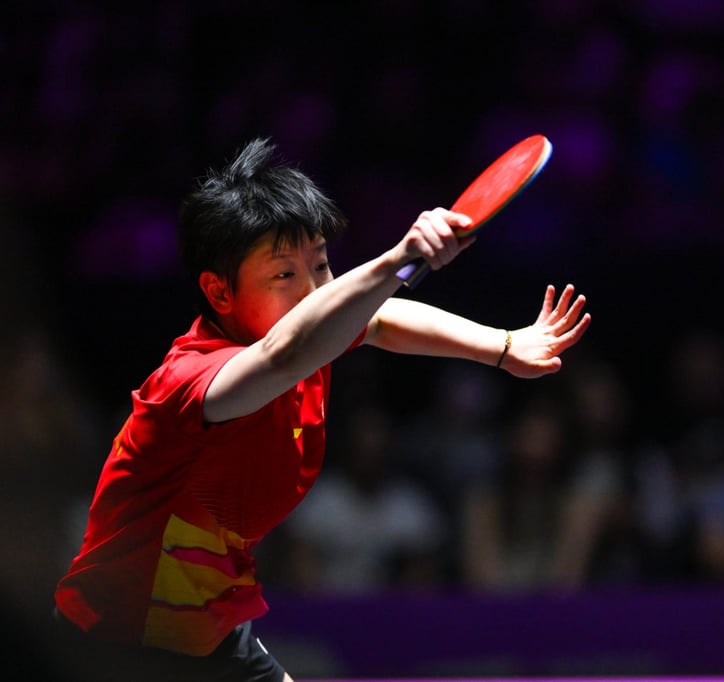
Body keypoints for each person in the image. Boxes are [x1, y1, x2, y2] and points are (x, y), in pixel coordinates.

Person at [52, 138, 591, 682]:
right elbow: (283, 353)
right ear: (219, 293)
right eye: (284, 275)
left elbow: (378, 321)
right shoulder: (190, 382)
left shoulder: (312, 343)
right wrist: (398, 258)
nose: (312, 290)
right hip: (112, 642)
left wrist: (502, 345)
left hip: (206, 631)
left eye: (321, 264)